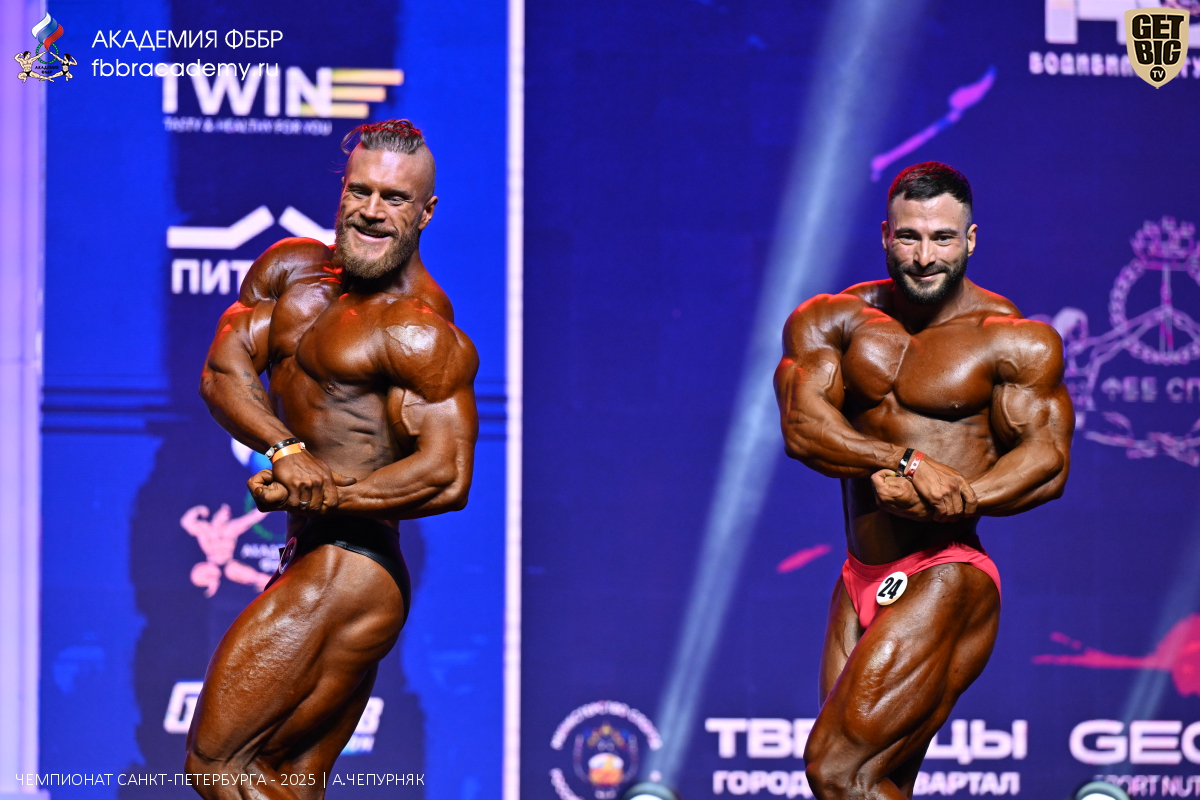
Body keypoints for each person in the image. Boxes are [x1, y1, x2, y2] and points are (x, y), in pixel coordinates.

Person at [187, 119, 478, 797]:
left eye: (395, 199)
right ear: (342, 190)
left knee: (217, 764)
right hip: (312, 557)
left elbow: (447, 475)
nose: (372, 211)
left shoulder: (418, 327)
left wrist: (322, 492)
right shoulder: (291, 271)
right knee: (287, 782)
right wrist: (284, 448)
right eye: (360, 191)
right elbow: (222, 372)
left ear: (426, 213)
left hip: (353, 569)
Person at [774, 162, 1073, 799]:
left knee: (835, 769)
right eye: (910, 236)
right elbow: (802, 426)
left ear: (970, 240)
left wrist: (959, 497)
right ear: (886, 235)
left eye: (942, 238)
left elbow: (1046, 462)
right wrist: (904, 461)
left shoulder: (1012, 340)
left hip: (946, 572)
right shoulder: (834, 320)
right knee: (868, 782)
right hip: (860, 575)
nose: (925, 256)